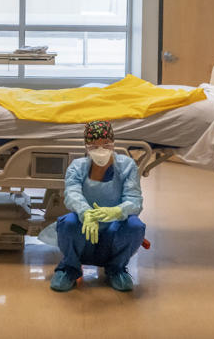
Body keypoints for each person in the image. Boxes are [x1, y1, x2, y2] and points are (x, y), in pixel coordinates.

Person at [50, 120, 145, 292]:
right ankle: (70, 269)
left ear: (113, 143)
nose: (101, 150)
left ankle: (116, 269)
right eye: (94, 146)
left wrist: (117, 211)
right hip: (83, 229)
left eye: (106, 145)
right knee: (68, 223)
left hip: (113, 230)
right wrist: (85, 212)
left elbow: (135, 200)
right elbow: (72, 194)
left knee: (135, 226)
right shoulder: (77, 167)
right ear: (86, 146)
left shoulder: (127, 166)